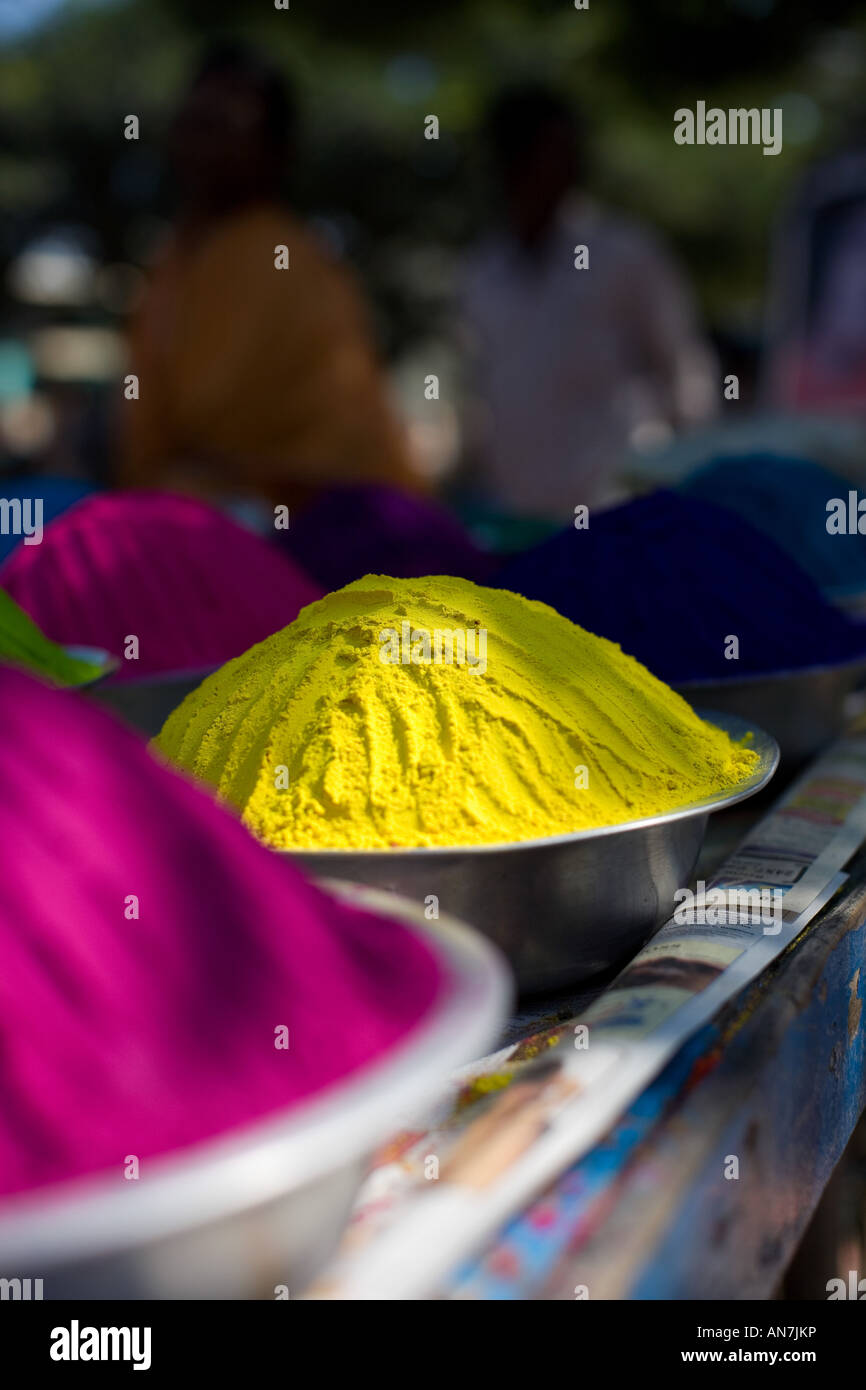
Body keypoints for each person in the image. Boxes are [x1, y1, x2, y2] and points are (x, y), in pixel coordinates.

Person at [119, 42, 417, 509]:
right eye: (194, 123)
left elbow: (217, 422)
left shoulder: (285, 259)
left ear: (278, 152)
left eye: (224, 126)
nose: (202, 144)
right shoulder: (176, 257)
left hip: (313, 533)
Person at [460, 84, 718, 518]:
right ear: (507, 162)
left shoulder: (626, 254)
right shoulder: (481, 271)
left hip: (618, 510)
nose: (561, 169)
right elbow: (482, 390)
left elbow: (684, 370)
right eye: (542, 153)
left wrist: (688, 479)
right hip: (519, 515)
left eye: (567, 153)